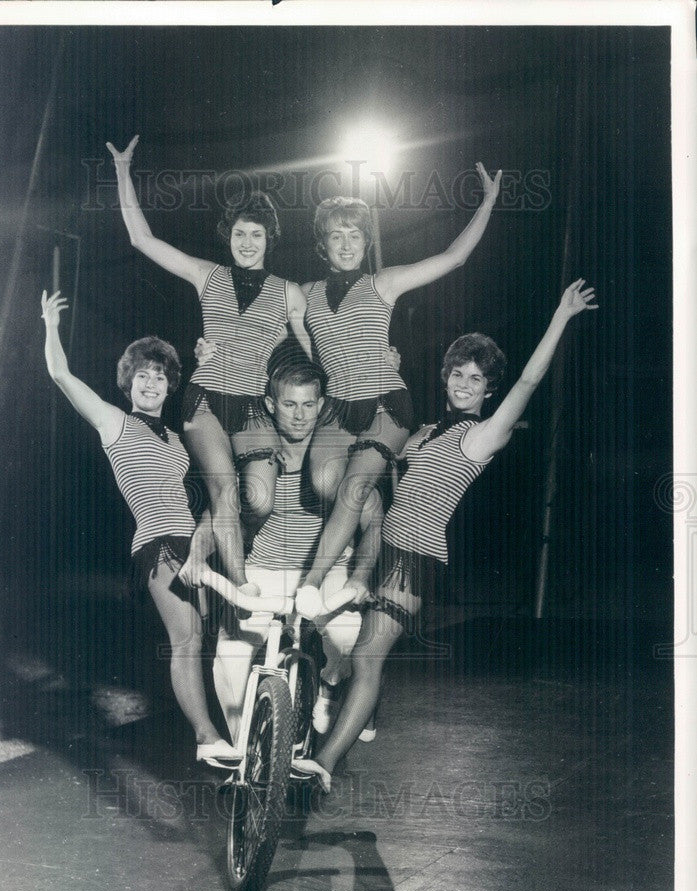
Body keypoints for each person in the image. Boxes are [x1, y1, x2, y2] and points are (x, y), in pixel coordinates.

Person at [293, 279, 598, 791]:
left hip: (415, 559)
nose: (463, 383)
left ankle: (322, 764)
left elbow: (526, 382)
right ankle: (362, 711)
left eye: (475, 379)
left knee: (367, 656)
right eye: (457, 373)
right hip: (376, 546)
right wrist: (383, 372)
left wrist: (561, 318)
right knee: (330, 636)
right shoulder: (427, 431)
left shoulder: (482, 437)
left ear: (487, 389)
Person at [40, 290, 241, 768]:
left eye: (159, 376)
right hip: (156, 543)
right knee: (187, 640)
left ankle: (237, 738)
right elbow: (60, 375)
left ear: (169, 386)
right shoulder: (114, 424)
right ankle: (206, 736)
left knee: (212, 641)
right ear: (128, 385)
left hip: (195, 540)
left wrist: (206, 363)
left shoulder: (175, 438)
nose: (150, 383)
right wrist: (50, 326)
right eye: (141, 376)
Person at [106, 135, 312, 593]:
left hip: (254, 406)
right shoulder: (207, 276)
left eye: (256, 234)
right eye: (239, 233)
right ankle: (239, 582)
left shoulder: (289, 292)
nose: (246, 242)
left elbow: (310, 359)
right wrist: (123, 171)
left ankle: (224, 547)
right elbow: (142, 239)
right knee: (223, 490)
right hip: (206, 401)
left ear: (269, 239)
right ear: (229, 236)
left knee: (257, 500)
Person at [295, 164, 502, 619]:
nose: (346, 244)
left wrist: (486, 203)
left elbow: (453, 258)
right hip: (337, 409)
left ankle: (310, 586)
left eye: (354, 236)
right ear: (322, 244)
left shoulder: (382, 283)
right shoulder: (303, 295)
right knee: (325, 485)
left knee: (352, 487)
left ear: (366, 243)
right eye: (336, 236)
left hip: (386, 403)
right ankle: (373, 516)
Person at [178, 359, 381, 744]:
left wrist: (359, 577)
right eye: (290, 405)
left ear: (322, 405)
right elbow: (220, 511)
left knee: (356, 646)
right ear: (271, 404)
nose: (300, 415)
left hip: (327, 572)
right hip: (266, 569)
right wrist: (196, 555)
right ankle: (247, 756)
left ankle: (330, 687)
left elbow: (373, 520)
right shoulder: (256, 450)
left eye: (309, 405)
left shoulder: (338, 454)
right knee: (232, 656)